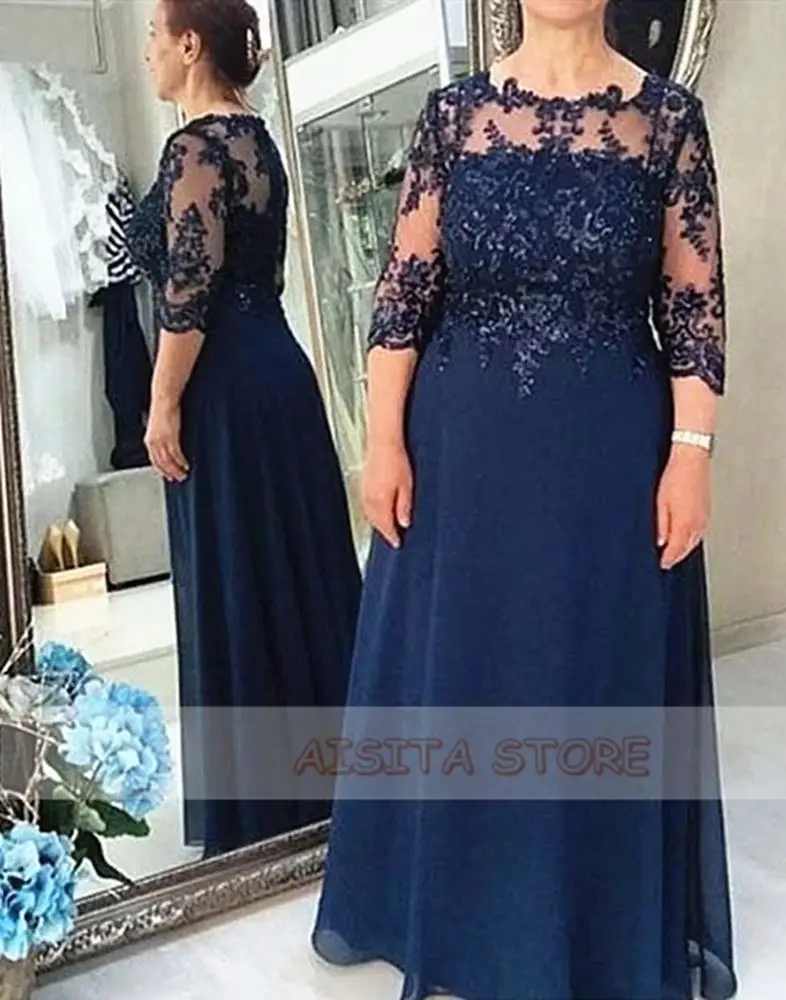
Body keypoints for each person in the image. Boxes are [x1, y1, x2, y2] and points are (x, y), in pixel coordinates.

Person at [312, 0, 737, 996]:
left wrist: (691, 455)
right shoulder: (452, 117)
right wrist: (381, 442)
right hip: (459, 455)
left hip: (608, 459)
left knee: (586, 674)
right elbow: (402, 294)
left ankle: (580, 924)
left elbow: (695, 309)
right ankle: (459, 916)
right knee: (462, 675)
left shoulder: (668, 121)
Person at [129, 0, 361, 857]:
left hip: (220, 387)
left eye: (154, 37)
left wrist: (160, 405)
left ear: (190, 46)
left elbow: (188, 294)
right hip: (278, 373)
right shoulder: (256, 138)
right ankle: (337, 788)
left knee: (240, 574)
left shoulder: (193, 148)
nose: (148, 54)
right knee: (296, 571)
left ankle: (263, 810)